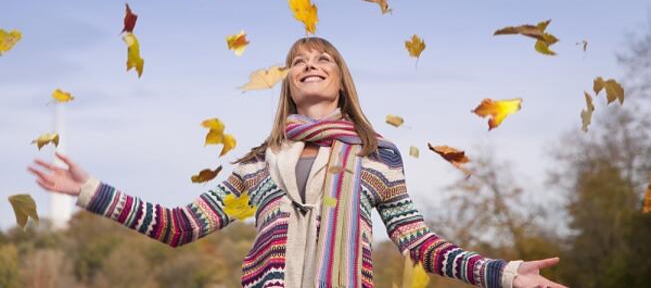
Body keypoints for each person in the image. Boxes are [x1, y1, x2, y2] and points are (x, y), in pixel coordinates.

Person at [28, 37, 567, 288]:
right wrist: (91, 191)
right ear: (288, 81)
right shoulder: (259, 162)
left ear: (340, 79)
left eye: (322, 59)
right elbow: (180, 226)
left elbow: (419, 246)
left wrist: (506, 274)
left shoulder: (377, 154)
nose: (310, 65)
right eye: (298, 62)